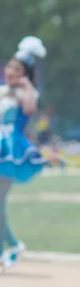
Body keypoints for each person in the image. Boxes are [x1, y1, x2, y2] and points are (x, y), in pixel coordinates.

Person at [0, 36, 47, 270]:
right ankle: (14, 244)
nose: (11, 72)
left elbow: (30, 109)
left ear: (26, 73)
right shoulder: (2, 91)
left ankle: (6, 249)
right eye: (9, 67)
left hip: (10, 150)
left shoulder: (25, 93)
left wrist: (26, 85)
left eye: (17, 69)